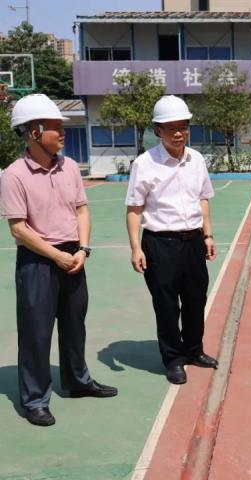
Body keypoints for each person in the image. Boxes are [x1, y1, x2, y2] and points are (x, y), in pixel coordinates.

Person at [0, 94, 117, 427]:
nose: (62, 132)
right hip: (38, 261)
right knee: (36, 332)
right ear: (34, 132)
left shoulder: (70, 167)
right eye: (55, 127)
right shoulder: (14, 175)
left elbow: (81, 210)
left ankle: (78, 381)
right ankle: (35, 400)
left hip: (73, 256)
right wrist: (56, 256)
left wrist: (82, 249)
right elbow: (18, 229)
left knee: (74, 325)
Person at [125, 95, 218, 385]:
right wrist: (136, 248)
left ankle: (194, 350)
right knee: (166, 305)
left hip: (193, 241)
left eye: (183, 127)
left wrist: (208, 234)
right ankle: (173, 359)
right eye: (171, 128)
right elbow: (134, 209)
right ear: (158, 130)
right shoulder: (145, 164)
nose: (179, 133)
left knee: (195, 300)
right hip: (160, 244)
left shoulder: (196, 160)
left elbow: (202, 199)